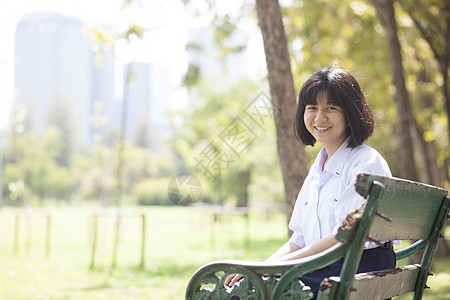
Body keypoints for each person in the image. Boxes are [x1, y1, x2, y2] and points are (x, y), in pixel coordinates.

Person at [225, 66, 397, 298]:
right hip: (329, 268)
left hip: (352, 270)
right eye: (312, 108)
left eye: (331, 108)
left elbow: (343, 238)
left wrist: (271, 270)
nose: (319, 117)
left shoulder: (365, 162)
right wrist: (260, 268)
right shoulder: (318, 168)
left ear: (350, 112)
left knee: (243, 295)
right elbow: (300, 240)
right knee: (240, 288)